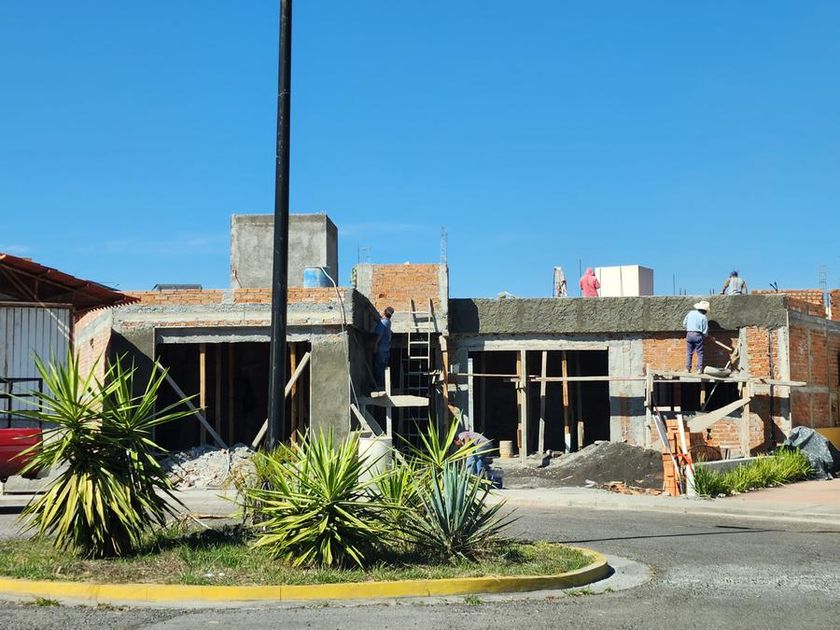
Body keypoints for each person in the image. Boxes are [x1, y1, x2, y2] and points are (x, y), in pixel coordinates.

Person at [682, 300, 712, 373]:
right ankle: (699, 369)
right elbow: (705, 331)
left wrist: (689, 329)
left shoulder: (691, 313)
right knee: (700, 353)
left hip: (689, 334)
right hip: (698, 335)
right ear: (705, 310)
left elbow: (684, 323)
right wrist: (707, 336)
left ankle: (687, 369)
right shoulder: (704, 317)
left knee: (689, 352)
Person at [372, 306, 394, 387]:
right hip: (386, 350)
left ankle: (380, 387)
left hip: (380, 350)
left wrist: (375, 346)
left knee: (379, 369)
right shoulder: (388, 322)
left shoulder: (382, 323)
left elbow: (379, 336)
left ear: (384, 313)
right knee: (384, 369)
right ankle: (384, 386)